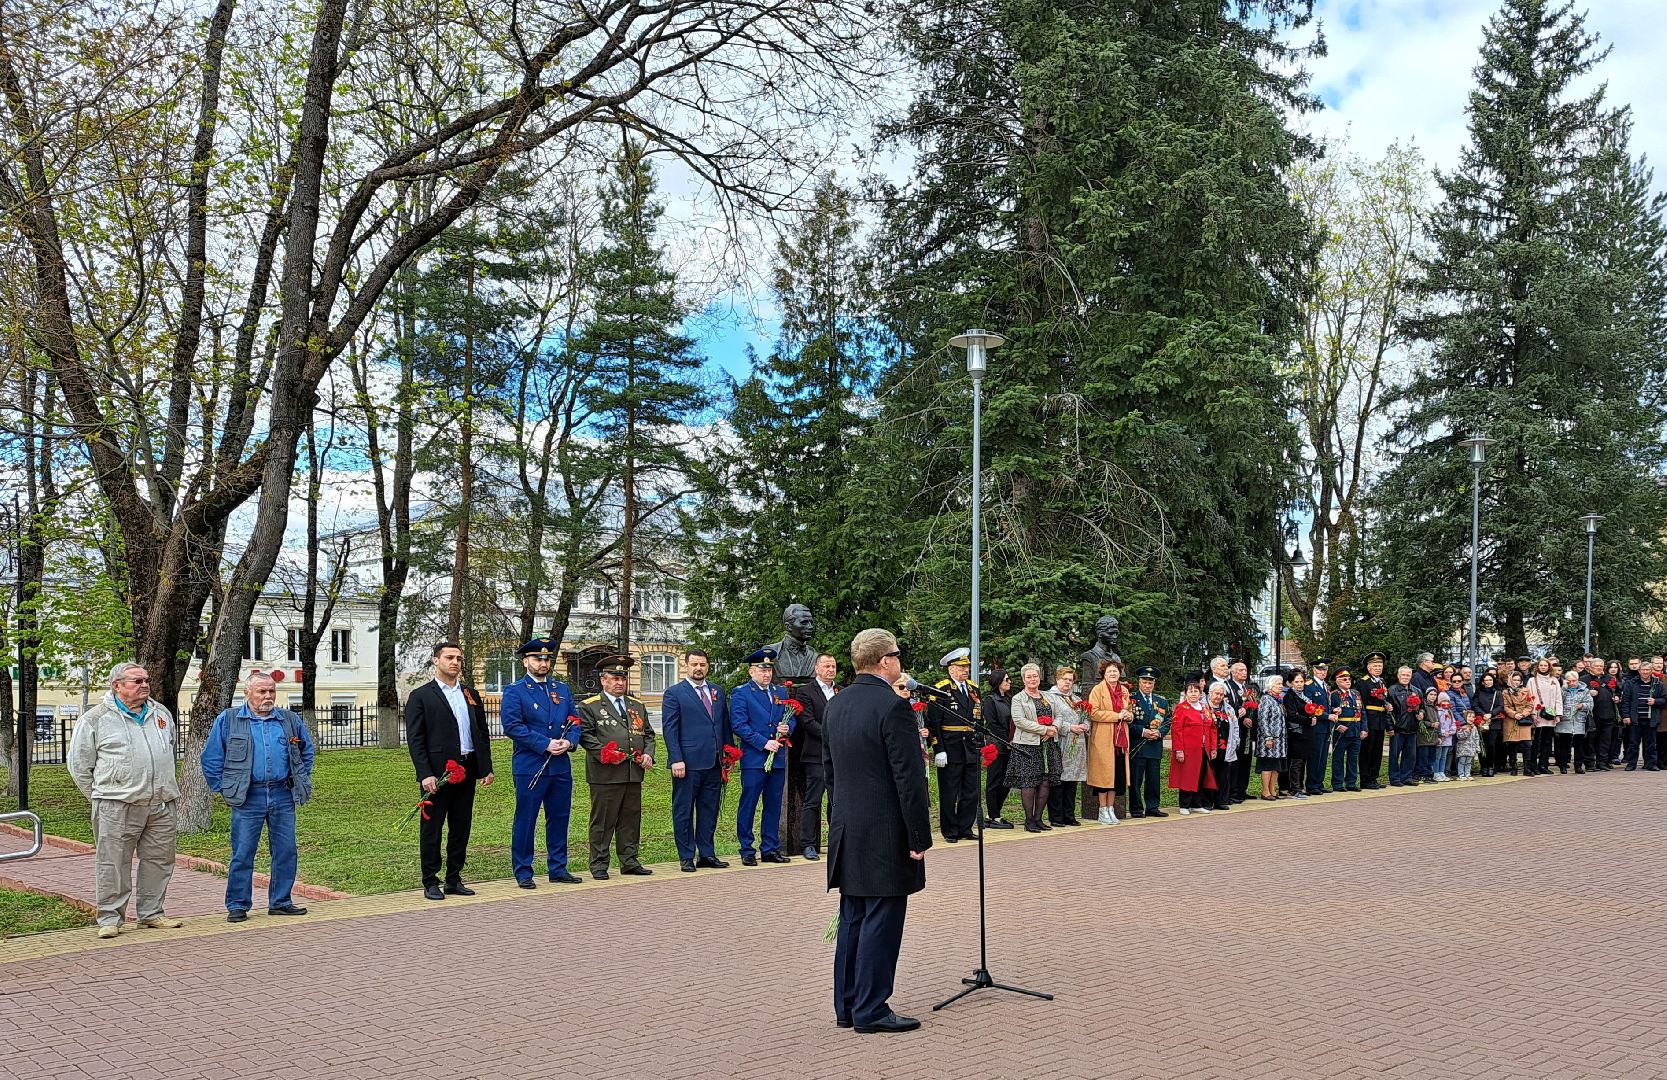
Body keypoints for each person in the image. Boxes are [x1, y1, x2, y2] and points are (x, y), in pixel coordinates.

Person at [825, 627, 933, 1035]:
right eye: (897, 655)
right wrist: (918, 837)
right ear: (885, 661)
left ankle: (848, 1005)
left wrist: (841, 819)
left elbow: (831, 774)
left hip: (849, 828)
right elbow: (910, 780)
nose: (899, 661)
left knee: (853, 916)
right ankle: (871, 1008)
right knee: (881, 920)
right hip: (887, 831)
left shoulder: (836, 705)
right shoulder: (893, 708)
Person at [67, 662, 185, 939]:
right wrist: (103, 796)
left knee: (159, 861)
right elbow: (79, 766)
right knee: (113, 862)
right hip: (116, 805)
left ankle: (151, 914)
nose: (144, 685)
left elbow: (168, 749)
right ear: (117, 686)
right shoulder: (96, 719)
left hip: (161, 802)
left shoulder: (161, 713)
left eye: (146, 680)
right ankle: (110, 917)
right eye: (136, 681)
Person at [200, 672, 315, 921]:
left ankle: (281, 901)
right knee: (243, 852)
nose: (268, 696)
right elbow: (211, 758)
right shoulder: (229, 720)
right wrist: (225, 788)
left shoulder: (289, 720)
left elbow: (306, 752)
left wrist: (301, 779)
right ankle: (238, 905)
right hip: (247, 796)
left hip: (282, 793)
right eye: (262, 691)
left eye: (271, 691)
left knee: (286, 850)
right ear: (247, 693)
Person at [405, 641, 495, 900]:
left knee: (461, 827)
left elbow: (481, 732)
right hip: (437, 774)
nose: (455, 662)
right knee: (432, 829)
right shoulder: (422, 695)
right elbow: (416, 739)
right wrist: (425, 774)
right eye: (449, 657)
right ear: (436, 660)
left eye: (458, 658)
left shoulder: (469, 693)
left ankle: (454, 878)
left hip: (466, 770)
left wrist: (484, 768)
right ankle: (430, 880)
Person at [498, 637, 582, 887]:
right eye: (537, 658)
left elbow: (574, 721)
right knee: (527, 819)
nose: (543, 662)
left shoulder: (561, 689)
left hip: (560, 766)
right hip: (531, 766)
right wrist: (544, 743)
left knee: (559, 817)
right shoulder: (515, 691)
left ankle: (558, 867)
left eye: (547, 658)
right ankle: (523, 871)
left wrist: (569, 742)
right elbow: (513, 726)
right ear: (526, 661)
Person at [578, 654, 656, 879]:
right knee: (603, 821)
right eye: (615, 677)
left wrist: (648, 754)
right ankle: (599, 863)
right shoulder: (590, 706)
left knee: (630, 819)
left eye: (623, 677)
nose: (620, 682)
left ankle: (629, 860)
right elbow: (586, 735)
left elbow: (648, 734)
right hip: (606, 774)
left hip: (633, 772)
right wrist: (605, 753)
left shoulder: (636, 705)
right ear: (603, 680)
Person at [661, 648, 731, 873]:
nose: (698, 668)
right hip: (687, 764)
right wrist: (676, 759)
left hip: (714, 761)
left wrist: (729, 753)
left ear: (708, 666)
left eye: (702, 664)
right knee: (683, 810)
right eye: (694, 664)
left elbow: (724, 725)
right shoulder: (675, 693)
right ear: (686, 666)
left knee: (709, 809)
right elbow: (670, 729)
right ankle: (686, 855)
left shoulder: (717, 691)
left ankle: (707, 854)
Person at [731, 647, 796, 865]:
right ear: (751, 672)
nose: (766, 674)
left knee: (774, 804)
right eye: (761, 670)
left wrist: (788, 728)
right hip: (755, 758)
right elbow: (738, 724)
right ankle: (746, 849)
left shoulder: (780, 693)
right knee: (749, 803)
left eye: (769, 670)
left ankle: (770, 847)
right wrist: (763, 742)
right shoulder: (742, 693)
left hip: (776, 757)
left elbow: (792, 718)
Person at [926, 647, 983, 843]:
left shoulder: (974, 689)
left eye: (966, 666)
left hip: (970, 746)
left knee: (971, 790)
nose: (965, 670)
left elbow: (979, 719)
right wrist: (938, 748)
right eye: (961, 667)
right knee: (950, 791)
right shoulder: (941, 689)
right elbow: (933, 722)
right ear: (951, 669)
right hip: (950, 746)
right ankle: (950, 831)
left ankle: (965, 827)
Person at [792, 652, 839, 858]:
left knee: (836, 800)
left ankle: (836, 841)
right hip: (816, 754)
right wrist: (832, 736)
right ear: (816, 669)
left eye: (833, 666)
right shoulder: (806, 692)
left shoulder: (841, 691)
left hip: (839, 756)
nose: (831, 670)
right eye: (827, 666)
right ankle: (808, 844)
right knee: (813, 800)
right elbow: (807, 722)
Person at [1007, 663, 1061, 832]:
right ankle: (1029, 820)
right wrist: (1045, 729)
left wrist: (1054, 729)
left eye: (1035, 676)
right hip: (1027, 745)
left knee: (1045, 782)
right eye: (1029, 677)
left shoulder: (1049, 696)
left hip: (1048, 744)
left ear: (1039, 677)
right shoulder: (1018, 698)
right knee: (1029, 782)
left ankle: (1038, 819)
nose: (1032, 679)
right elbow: (1020, 721)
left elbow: (1059, 715)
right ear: (1023, 679)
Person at [1086, 659, 1131, 824]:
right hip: (1103, 739)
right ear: (1104, 674)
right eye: (1110, 671)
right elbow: (1094, 713)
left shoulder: (1124, 690)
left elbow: (1129, 709)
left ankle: (1111, 809)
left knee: (1116, 777)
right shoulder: (1097, 690)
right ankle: (1102, 809)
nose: (1113, 674)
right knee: (1103, 777)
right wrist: (1116, 716)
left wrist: (1129, 716)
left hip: (1120, 740)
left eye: (1116, 671)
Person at [1045, 666, 1089, 826]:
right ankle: (1056, 816)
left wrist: (1085, 725)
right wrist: (1069, 727)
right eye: (1065, 679)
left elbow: (1086, 717)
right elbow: (1050, 718)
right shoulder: (1050, 697)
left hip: (1077, 745)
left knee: (1072, 781)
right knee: (1059, 780)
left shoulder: (1076, 699)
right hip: (1061, 742)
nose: (1068, 683)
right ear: (1057, 679)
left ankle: (1069, 815)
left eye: (1071, 680)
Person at [1168, 678, 1218, 815]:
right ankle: (1184, 804)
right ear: (1185, 693)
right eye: (1190, 691)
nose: (1193, 694)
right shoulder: (1181, 708)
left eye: (1196, 691)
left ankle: (1197, 803)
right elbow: (1176, 730)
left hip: (1203, 749)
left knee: (1201, 775)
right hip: (1188, 749)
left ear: (1201, 693)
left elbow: (1212, 729)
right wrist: (1179, 749)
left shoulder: (1205, 708)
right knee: (1187, 776)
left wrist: (1213, 748)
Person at [1128, 667, 1170, 817]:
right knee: (1136, 780)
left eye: (1150, 683)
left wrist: (1159, 733)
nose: (1147, 685)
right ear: (1139, 682)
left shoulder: (1161, 701)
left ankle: (1153, 807)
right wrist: (1143, 731)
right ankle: (1136, 808)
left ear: (1154, 684)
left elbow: (1167, 721)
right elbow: (1127, 723)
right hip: (1137, 746)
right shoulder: (1131, 699)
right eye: (1144, 682)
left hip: (1154, 745)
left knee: (1153, 779)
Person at [984, 671, 1017, 828]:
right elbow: (992, 724)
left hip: (1010, 745)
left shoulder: (1010, 699)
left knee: (1006, 780)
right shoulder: (991, 700)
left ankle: (994, 812)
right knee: (994, 780)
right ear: (998, 682)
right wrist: (1006, 740)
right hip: (996, 745)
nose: (1009, 682)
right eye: (1006, 679)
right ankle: (993, 815)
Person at [1619, 661, 1660, 771]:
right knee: (1633, 743)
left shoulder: (1657, 683)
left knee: (1651, 743)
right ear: (1639, 671)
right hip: (1635, 718)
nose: (1645, 672)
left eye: (1647, 670)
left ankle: (1650, 764)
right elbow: (1625, 700)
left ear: (1652, 671)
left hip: (1651, 718)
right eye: (1643, 670)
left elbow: (1664, 698)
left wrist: (1656, 701)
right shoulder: (1631, 683)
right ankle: (1631, 764)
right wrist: (1626, 716)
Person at [1358, 652, 1391, 789]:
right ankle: (1365, 780)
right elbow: (1362, 704)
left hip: (1380, 720)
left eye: (1380, 665)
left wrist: (1387, 705)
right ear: (1369, 667)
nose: (1378, 668)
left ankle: (1374, 777)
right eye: (1375, 666)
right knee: (1367, 750)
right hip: (1370, 720)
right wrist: (1363, 725)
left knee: (1377, 751)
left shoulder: (1382, 682)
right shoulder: (1364, 682)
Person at [1328, 667, 1364, 791]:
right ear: (1337, 681)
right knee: (1338, 758)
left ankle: (1351, 783)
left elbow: (1362, 712)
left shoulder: (1356, 693)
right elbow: (1330, 712)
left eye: (1349, 679)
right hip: (1342, 731)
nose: (1348, 681)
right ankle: (1337, 783)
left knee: (1353, 758)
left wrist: (1364, 728)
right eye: (1344, 679)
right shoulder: (1334, 695)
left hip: (1356, 730)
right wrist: (1337, 726)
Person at [1386, 667, 1421, 786]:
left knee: (1410, 755)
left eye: (1408, 675)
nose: (1406, 677)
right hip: (1398, 729)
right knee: (1394, 755)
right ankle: (1395, 778)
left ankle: (1406, 777)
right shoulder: (1392, 690)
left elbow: (1422, 708)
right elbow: (1388, 712)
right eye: (1403, 675)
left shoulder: (1416, 691)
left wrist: (1421, 713)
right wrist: (1390, 727)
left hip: (1412, 728)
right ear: (1398, 676)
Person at [1226, 660, 1256, 802]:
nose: (1244, 673)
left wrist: (1250, 717)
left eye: (1245, 670)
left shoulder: (1247, 688)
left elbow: (1252, 706)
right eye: (1240, 670)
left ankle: (1243, 789)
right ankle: (1234, 791)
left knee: (1246, 760)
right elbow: (1230, 707)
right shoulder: (1229, 687)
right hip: (1237, 729)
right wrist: (1241, 717)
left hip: (1248, 731)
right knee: (1236, 760)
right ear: (1233, 672)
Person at [1204, 682, 1236, 811]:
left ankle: (1221, 800)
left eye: (1221, 694)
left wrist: (1235, 742)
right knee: (1208, 774)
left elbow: (1235, 727)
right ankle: (1207, 801)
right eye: (1216, 693)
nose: (1219, 696)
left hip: (1224, 747)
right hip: (1209, 746)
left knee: (1223, 774)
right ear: (1210, 693)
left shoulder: (1228, 709)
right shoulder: (1203, 707)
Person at [1303, 659, 1333, 794]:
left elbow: (1327, 704)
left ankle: (1319, 783)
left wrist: (1334, 711)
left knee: (1323, 757)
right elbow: (1310, 707)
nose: (1323, 672)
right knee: (1315, 756)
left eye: (1325, 670)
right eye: (1320, 670)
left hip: (1326, 727)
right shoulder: (1309, 685)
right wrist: (1327, 716)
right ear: (1314, 671)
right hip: (1316, 727)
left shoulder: (1326, 686)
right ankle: (1311, 784)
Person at [1528, 658, 1561, 776]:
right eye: (1541, 665)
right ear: (1538, 667)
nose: (1543, 667)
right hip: (1537, 713)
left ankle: (1544, 765)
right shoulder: (1532, 680)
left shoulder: (1554, 680)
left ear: (1549, 667)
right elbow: (1529, 697)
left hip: (1550, 712)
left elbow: (1558, 697)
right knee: (1536, 741)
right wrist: (1532, 713)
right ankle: (1533, 766)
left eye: (1545, 665)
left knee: (1547, 741)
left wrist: (1558, 713)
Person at [1256, 673, 1287, 800]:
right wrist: (1268, 737)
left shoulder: (1277, 699)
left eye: (1281, 684)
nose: (1281, 686)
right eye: (1278, 684)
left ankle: (1273, 790)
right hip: (1269, 739)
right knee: (1268, 765)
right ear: (1270, 686)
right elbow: (1263, 719)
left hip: (1279, 740)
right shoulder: (1266, 699)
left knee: (1276, 766)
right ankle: (1265, 791)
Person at [1556, 670, 1592, 774]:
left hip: (1579, 721)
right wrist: (1563, 688)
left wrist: (1582, 706)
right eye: (1569, 681)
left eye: (1574, 681)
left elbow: (1590, 704)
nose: (1572, 683)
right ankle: (1563, 766)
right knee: (1563, 745)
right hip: (1565, 721)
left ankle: (1578, 766)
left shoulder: (1584, 690)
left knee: (1579, 745)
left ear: (1578, 680)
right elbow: (1558, 701)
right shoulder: (1562, 690)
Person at [1500, 671, 1535, 775]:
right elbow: (1505, 706)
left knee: (1527, 744)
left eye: (1518, 680)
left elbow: (1530, 704)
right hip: (1511, 720)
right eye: (1514, 680)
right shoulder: (1505, 692)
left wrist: (1523, 714)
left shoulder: (1526, 690)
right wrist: (1514, 714)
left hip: (1524, 720)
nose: (1516, 682)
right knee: (1512, 745)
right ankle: (1513, 767)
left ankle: (1527, 768)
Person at [1283, 669, 1311, 799]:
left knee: (1302, 760)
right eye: (1297, 682)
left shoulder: (1304, 695)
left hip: (1305, 732)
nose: (1300, 684)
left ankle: (1300, 786)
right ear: (1290, 683)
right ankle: (1293, 788)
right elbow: (1292, 716)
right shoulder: (1290, 696)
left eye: (1301, 681)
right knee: (1296, 761)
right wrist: (1308, 720)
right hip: (1295, 732)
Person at [1471, 671, 1505, 778]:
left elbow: (1500, 706)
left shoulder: (1498, 693)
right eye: (1486, 680)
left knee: (1491, 745)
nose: (1488, 682)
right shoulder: (1479, 692)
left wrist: (1491, 714)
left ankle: (1491, 766)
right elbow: (1475, 705)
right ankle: (1483, 767)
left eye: (1490, 680)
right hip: (1481, 721)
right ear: (1482, 682)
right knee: (1482, 745)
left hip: (1493, 721)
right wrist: (1482, 714)